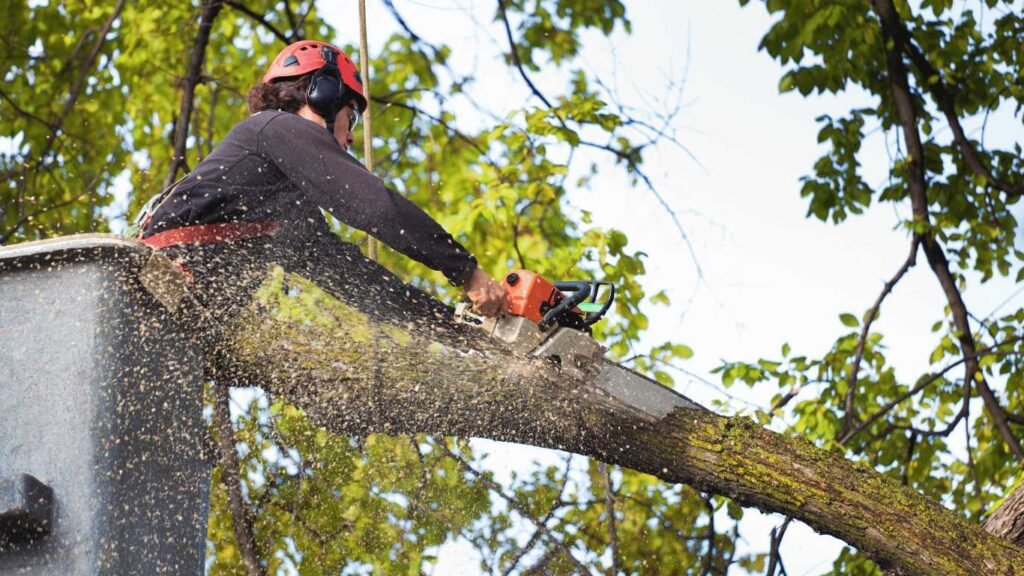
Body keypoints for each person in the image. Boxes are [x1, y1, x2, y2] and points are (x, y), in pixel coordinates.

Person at [136, 40, 507, 324]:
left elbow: (354, 279)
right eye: (352, 118)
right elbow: (375, 206)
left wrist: (453, 326)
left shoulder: (286, 205)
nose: (349, 139)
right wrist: (466, 271)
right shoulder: (274, 128)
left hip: (174, 317)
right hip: (151, 288)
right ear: (323, 95)